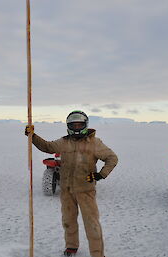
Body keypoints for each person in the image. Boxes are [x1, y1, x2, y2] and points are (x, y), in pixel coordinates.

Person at [25, 110, 118, 257]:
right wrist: (33, 137)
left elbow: (112, 158)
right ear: (68, 126)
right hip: (66, 190)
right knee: (68, 221)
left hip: (85, 190)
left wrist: (100, 175)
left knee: (91, 223)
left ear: (85, 125)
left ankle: (98, 253)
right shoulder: (64, 142)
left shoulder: (94, 143)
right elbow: (47, 147)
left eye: (79, 125)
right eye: (73, 125)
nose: (76, 128)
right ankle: (71, 247)